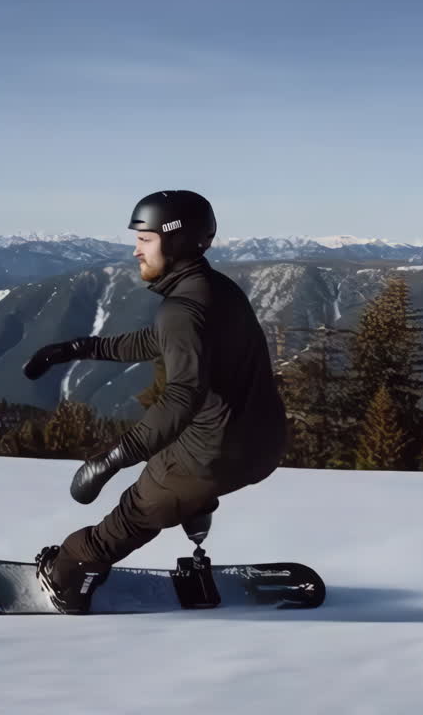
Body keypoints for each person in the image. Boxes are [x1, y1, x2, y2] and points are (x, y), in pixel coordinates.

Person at [21, 190, 287, 614]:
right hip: (263, 445)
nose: (135, 250)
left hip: (212, 453)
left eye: (144, 239)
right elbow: (155, 341)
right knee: (174, 480)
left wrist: (110, 460)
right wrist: (72, 348)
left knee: (133, 513)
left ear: (176, 241)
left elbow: (182, 396)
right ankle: (193, 504)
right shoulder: (215, 290)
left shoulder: (182, 309)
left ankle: (68, 578)